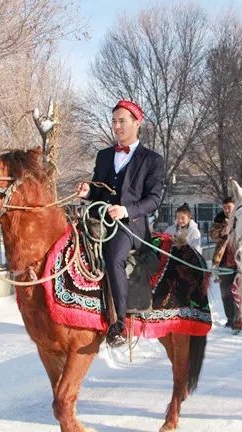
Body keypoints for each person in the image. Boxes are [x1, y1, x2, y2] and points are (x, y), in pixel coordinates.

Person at [76, 99, 165, 347]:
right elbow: (98, 189)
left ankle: (119, 324)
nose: (116, 126)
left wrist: (126, 210)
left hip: (130, 225)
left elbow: (154, 199)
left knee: (114, 257)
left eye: (122, 121)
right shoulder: (104, 156)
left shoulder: (152, 160)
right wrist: (87, 192)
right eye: (114, 121)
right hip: (100, 219)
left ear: (137, 123)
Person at [209, 196, 239, 330]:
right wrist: (222, 231)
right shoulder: (219, 219)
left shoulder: (241, 217)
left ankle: (240, 319)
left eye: (229, 207)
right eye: (225, 207)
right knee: (226, 292)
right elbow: (212, 235)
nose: (227, 210)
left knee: (239, 292)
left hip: (240, 261)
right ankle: (230, 319)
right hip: (224, 260)